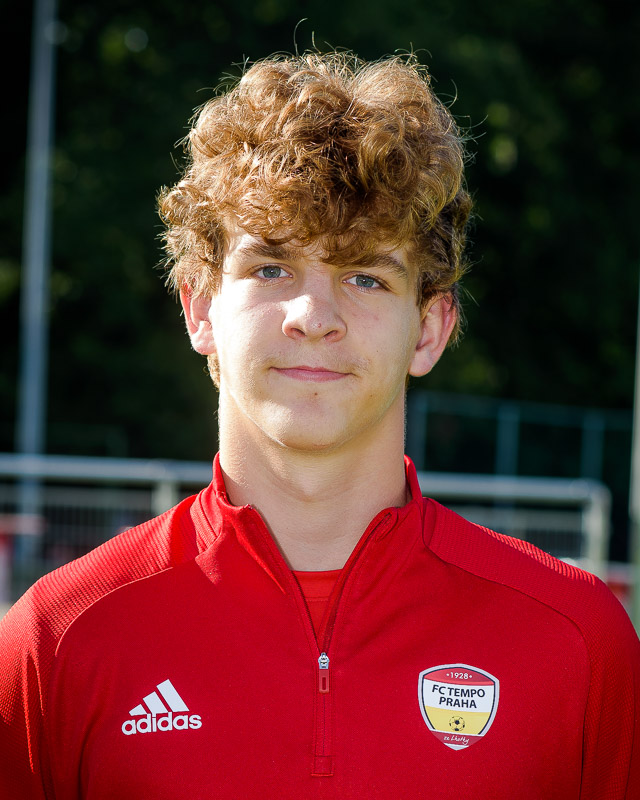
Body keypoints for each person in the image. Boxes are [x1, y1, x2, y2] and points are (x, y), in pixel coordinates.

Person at [1, 51, 638, 800]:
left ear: (430, 329)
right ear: (200, 307)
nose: (313, 316)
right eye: (271, 268)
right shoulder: (57, 640)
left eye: (365, 276)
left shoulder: (579, 641)